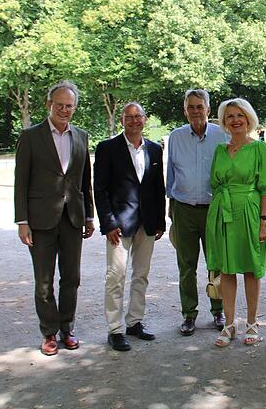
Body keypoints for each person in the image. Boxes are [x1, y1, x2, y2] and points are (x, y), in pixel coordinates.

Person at [14, 81, 94, 356]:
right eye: (59, 105)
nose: (64, 110)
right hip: (40, 220)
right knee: (44, 281)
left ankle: (67, 329)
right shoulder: (30, 136)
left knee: (71, 277)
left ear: (74, 108)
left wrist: (90, 217)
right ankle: (49, 332)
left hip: (73, 218)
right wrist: (22, 221)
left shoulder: (81, 136)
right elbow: (20, 182)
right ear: (49, 105)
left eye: (69, 106)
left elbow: (86, 182)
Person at [94, 102, 166, 351]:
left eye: (138, 116)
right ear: (122, 120)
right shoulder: (107, 148)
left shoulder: (155, 149)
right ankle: (115, 329)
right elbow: (100, 189)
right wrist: (108, 223)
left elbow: (158, 187)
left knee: (141, 275)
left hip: (147, 223)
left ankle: (135, 321)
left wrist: (160, 221)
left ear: (145, 119)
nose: (134, 121)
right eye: (129, 117)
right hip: (119, 223)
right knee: (115, 276)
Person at [205, 98, 266, 347]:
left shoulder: (259, 149)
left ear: (248, 119)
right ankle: (230, 324)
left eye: (239, 115)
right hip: (222, 212)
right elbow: (214, 183)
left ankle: (252, 323)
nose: (235, 120)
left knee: (251, 268)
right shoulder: (220, 151)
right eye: (230, 116)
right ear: (224, 122)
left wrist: (264, 221)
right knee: (226, 269)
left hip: (249, 211)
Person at [167, 89, 229, 336]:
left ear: (208, 109)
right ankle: (189, 314)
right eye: (190, 107)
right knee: (186, 265)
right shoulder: (176, 136)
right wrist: (171, 208)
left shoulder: (221, 135)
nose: (195, 111)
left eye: (199, 106)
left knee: (216, 263)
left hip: (213, 209)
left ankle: (218, 310)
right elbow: (171, 171)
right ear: (185, 110)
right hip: (183, 209)